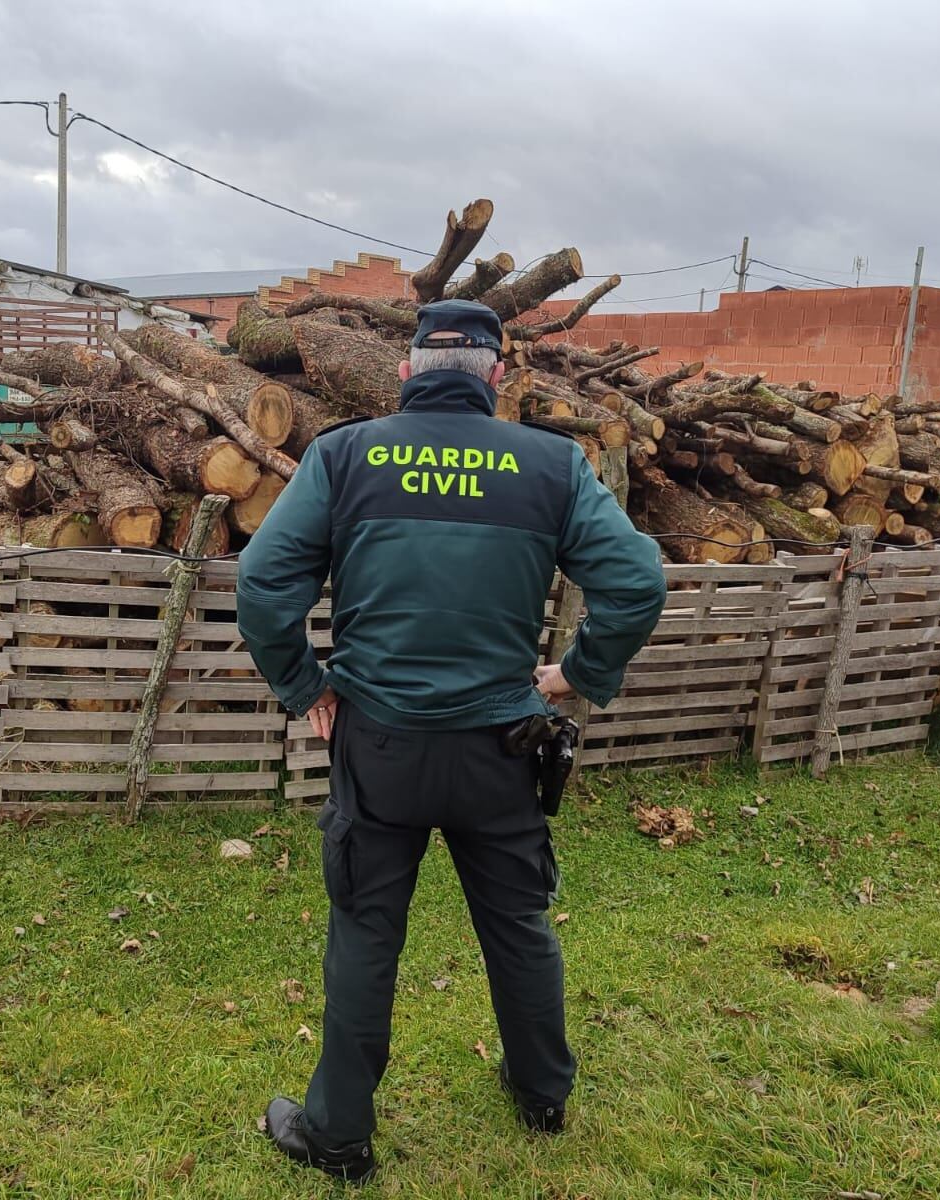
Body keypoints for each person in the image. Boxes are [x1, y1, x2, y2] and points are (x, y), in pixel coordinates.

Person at [236, 297, 667, 1182]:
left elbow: (261, 581)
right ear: (497, 378)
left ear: (406, 374)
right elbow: (635, 584)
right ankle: (543, 1093)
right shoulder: (552, 464)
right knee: (518, 921)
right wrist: (580, 675)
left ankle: (339, 1135)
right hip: (500, 747)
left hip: (380, 745)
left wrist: (302, 684)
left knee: (364, 932)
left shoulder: (346, 454)